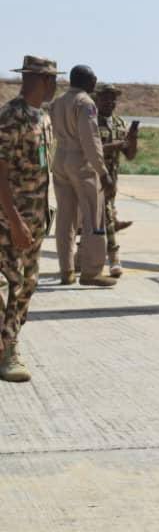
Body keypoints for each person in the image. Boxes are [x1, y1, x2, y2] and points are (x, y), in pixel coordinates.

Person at [0, 56, 61, 382]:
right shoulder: (11, 117)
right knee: (11, 282)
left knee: (28, 283)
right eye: (53, 79)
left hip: (36, 217)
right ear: (43, 80)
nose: (55, 85)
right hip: (10, 219)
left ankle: (8, 340)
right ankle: (8, 350)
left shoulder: (43, 117)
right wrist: (14, 220)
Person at [51, 64, 116, 287]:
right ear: (86, 81)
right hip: (81, 161)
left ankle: (66, 270)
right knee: (93, 217)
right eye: (93, 78)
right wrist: (103, 172)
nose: (96, 81)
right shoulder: (86, 103)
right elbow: (90, 140)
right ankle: (91, 271)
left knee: (65, 217)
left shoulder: (58, 102)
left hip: (60, 158)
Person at [95, 84, 138, 277]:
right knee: (106, 216)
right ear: (97, 99)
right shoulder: (90, 122)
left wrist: (133, 138)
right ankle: (114, 258)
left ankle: (80, 256)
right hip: (94, 176)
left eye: (113, 99)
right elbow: (92, 149)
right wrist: (118, 145)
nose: (110, 102)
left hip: (112, 179)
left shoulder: (120, 124)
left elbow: (130, 155)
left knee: (98, 218)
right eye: (105, 98)